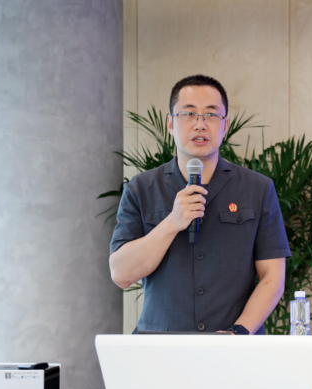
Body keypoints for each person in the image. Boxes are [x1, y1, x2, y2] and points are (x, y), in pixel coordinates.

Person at [109, 75, 290, 335]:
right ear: (170, 124)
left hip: (233, 346)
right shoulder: (140, 188)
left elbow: (273, 278)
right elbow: (121, 274)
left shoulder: (258, 189)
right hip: (159, 346)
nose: (200, 125)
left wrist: (237, 333)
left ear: (225, 125)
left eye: (211, 115)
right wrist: (172, 223)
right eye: (188, 114)